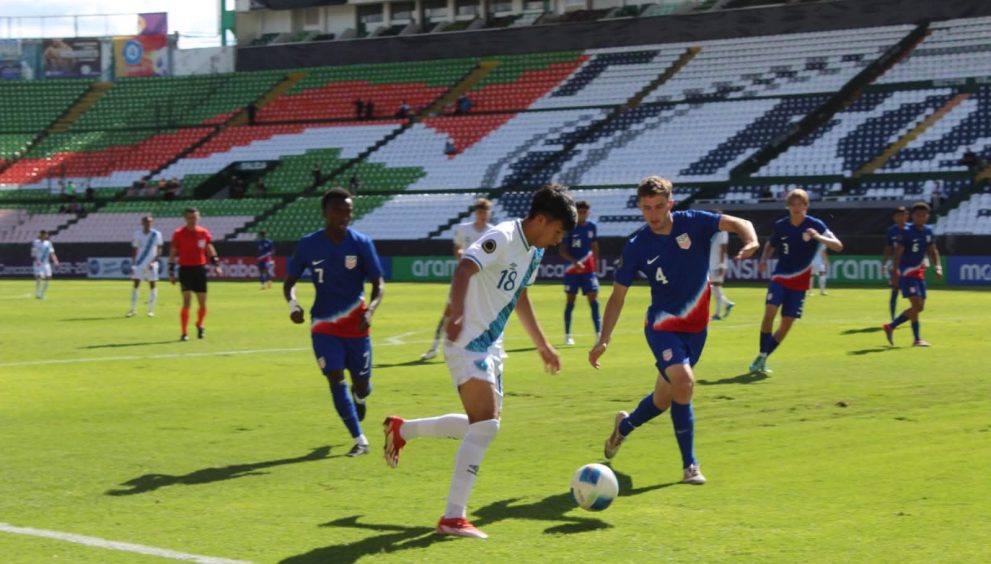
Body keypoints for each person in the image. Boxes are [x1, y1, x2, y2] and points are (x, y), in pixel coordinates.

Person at [384, 184, 576, 539]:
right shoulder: (503, 236)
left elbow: (519, 297)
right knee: (486, 425)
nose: (558, 240)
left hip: (491, 345)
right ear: (541, 219)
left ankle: (403, 430)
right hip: (467, 341)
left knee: (483, 425)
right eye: (558, 231)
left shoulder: (533, 253)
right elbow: (464, 269)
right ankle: (453, 517)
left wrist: (543, 345)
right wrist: (456, 313)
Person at [589, 176, 758, 487]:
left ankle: (623, 427)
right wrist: (603, 339)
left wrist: (751, 241)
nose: (653, 214)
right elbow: (617, 297)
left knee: (663, 400)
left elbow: (740, 222)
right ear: (640, 207)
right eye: (647, 208)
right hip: (662, 325)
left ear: (671, 203)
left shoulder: (693, 222)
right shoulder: (637, 246)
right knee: (685, 382)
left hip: (697, 329)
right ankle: (690, 466)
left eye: (659, 206)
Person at [284, 188, 385, 457]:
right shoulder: (309, 244)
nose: (344, 215)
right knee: (334, 377)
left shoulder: (361, 243)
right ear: (325, 212)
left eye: (348, 211)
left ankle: (360, 396)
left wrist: (370, 310)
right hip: (323, 326)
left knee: (362, 383)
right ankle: (360, 440)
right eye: (338, 210)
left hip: (357, 326)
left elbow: (378, 283)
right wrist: (293, 305)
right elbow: (289, 282)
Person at [749, 188, 843, 375]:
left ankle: (763, 357)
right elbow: (771, 244)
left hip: (800, 283)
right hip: (780, 277)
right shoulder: (781, 225)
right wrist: (764, 260)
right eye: (793, 204)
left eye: (800, 204)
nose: (797, 208)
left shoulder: (816, 225)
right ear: (788, 206)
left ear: (806, 206)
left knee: (786, 324)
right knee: (769, 314)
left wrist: (817, 236)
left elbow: (838, 246)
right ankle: (762, 352)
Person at [421, 198, 494, 361]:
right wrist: (460, 256)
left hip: (482, 281)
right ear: (476, 213)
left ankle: (488, 348)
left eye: (485, 212)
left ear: (489, 213)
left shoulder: (493, 232)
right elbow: (457, 247)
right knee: (449, 312)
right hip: (463, 279)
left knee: (484, 314)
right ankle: (434, 347)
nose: (482, 215)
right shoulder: (464, 229)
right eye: (480, 212)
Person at [883, 202, 942, 347]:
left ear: (927, 216)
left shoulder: (928, 231)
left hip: (919, 272)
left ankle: (909, 335)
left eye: (923, 215)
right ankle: (898, 329)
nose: (921, 218)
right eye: (918, 215)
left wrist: (938, 266)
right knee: (916, 306)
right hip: (907, 273)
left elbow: (933, 250)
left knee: (918, 307)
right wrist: (895, 273)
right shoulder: (906, 232)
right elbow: (898, 253)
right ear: (913, 216)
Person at [168, 207, 223, 341]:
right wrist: (171, 271)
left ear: (199, 218)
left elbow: (209, 248)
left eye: (195, 217)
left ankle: (199, 324)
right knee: (186, 302)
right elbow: (173, 253)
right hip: (185, 269)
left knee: (202, 304)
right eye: (190, 218)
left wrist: (216, 264)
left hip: (199, 269)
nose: (192, 220)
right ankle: (184, 332)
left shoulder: (203, 232)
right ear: (185, 219)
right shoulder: (179, 233)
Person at [560, 200, 600, 345]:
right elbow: (562, 250)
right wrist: (574, 262)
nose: (582, 214)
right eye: (580, 212)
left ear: (588, 213)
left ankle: (599, 334)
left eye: (585, 211)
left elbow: (594, 245)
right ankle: (568, 335)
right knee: (571, 301)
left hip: (588, 269)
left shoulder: (592, 227)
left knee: (593, 299)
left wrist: (595, 264)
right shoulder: (570, 227)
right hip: (572, 270)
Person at [127, 216, 164, 317]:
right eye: (146, 222)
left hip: (151, 264)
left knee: (152, 285)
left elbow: (159, 249)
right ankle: (133, 309)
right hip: (139, 263)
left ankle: (150, 310)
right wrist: (133, 264)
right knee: (136, 285)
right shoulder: (137, 234)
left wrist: (154, 261)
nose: (148, 224)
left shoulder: (156, 234)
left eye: (150, 222)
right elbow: (134, 249)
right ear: (142, 223)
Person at [881, 206, 909, 321]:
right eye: (899, 215)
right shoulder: (891, 231)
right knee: (894, 291)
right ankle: (893, 319)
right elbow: (888, 248)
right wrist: (884, 264)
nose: (902, 217)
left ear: (907, 216)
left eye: (904, 215)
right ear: (895, 217)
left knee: (913, 294)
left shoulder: (912, 229)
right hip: (897, 265)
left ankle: (912, 315)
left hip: (911, 265)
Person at [709, 211, 735, 320]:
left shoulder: (723, 231)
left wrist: (722, 264)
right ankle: (727, 304)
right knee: (714, 288)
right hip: (711, 264)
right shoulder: (713, 231)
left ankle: (718, 313)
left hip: (717, 264)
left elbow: (723, 248)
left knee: (715, 288)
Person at [31, 230, 59, 299]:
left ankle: (42, 293)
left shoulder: (48, 243)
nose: (45, 236)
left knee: (48, 277)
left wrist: (55, 260)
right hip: (38, 263)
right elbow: (33, 253)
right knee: (39, 276)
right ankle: (38, 293)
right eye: (44, 234)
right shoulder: (35, 242)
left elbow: (52, 253)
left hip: (46, 263)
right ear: (41, 235)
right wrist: (36, 261)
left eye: (46, 234)